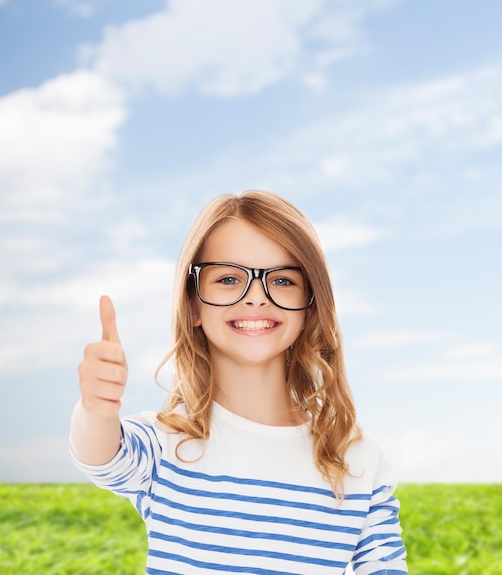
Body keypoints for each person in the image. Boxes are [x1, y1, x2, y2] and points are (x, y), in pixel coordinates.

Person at [70, 190, 408, 575]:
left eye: (282, 280)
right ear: (193, 304)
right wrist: (95, 409)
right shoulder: (165, 444)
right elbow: (100, 457)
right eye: (229, 278)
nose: (257, 298)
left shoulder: (359, 462)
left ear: (310, 307)